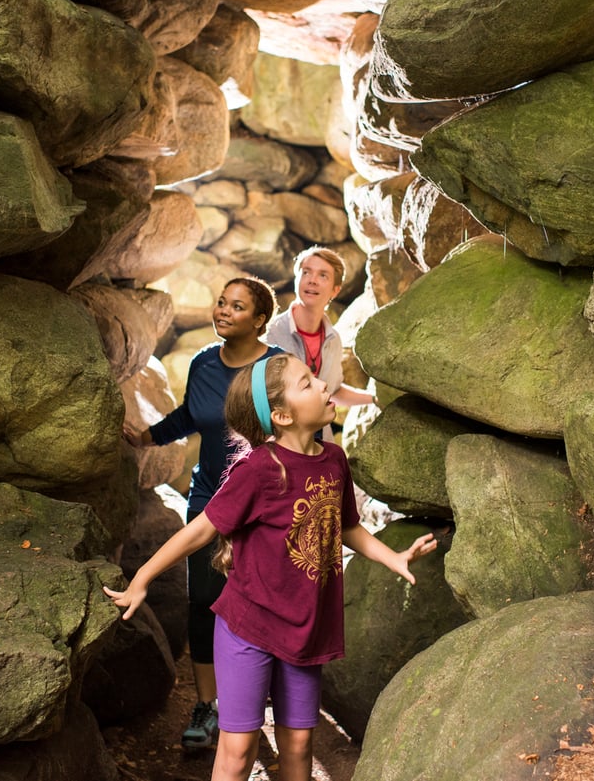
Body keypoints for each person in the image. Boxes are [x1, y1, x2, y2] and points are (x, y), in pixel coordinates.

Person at [106, 353, 437, 781]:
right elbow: (201, 530)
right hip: (250, 628)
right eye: (307, 383)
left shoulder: (334, 459)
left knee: (299, 745)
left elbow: (346, 526)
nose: (322, 386)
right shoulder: (260, 469)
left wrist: (392, 556)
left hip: (306, 628)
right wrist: (143, 577)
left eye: (316, 378)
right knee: (238, 751)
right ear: (281, 416)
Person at [123, 276, 285, 751]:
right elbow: (192, 417)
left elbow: (297, 432)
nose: (223, 311)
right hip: (209, 496)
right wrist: (146, 437)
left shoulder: (276, 368)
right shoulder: (202, 363)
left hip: (263, 503)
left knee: (257, 601)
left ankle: (255, 702)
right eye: (220, 303)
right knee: (204, 602)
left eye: (237, 307)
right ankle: (207, 706)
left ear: (259, 321)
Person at [265, 246, 377, 439]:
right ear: (296, 279)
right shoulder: (270, 333)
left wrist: (374, 399)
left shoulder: (333, 339)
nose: (312, 280)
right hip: (277, 441)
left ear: (335, 290)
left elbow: (333, 391)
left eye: (323, 275)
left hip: (319, 441)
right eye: (306, 272)